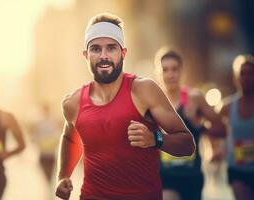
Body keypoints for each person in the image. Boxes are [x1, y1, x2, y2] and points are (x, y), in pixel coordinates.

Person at [55, 12, 195, 200]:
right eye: (96, 49)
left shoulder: (144, 90)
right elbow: (70, 138)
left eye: (111, 48)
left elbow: (187, 144)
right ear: (86, 55)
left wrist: (155, 139)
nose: (103, 56)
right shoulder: (73, 102)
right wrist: (63, 176)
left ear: (123, 53)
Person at [154, 48, 226, 200]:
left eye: (174, 69)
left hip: (192, 176)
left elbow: (222, 130)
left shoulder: (194, 98)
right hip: (165, 177)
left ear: (182, 72)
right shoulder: (154, 101)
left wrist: (199, 126)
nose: (170, 74)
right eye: (165, 70)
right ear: (158, 73)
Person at [219, 55, 254, 200]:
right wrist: (216, 149)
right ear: (236, 78)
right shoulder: (227, 107)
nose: (247, 77)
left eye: (251, 73)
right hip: (237, 170)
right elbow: (213, 127)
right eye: (243, 73)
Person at [32, 103, 61, 182]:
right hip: (43, 152)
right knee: (45, 172)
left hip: (51, 153)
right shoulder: (39, 122)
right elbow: (35, 136)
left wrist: (55, 142)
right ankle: (48, 182)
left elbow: (57, 135)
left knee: (50, 172)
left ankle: (49, 183)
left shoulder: (53, 121)